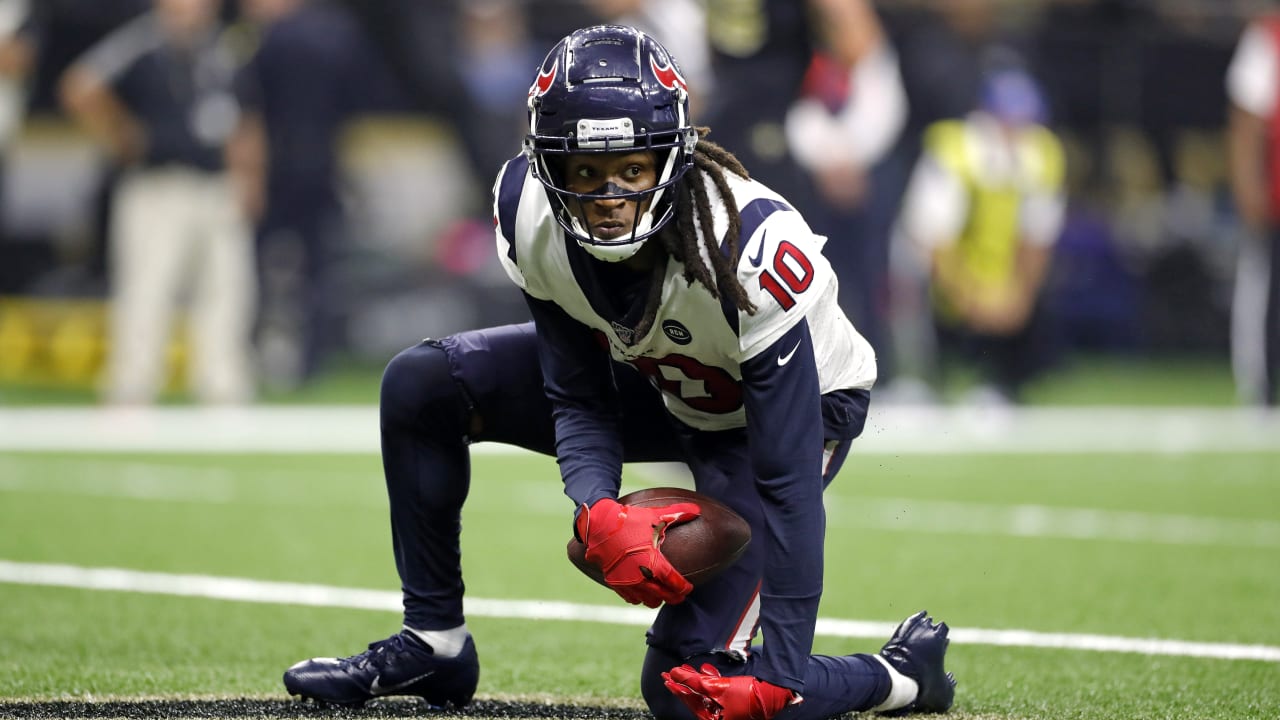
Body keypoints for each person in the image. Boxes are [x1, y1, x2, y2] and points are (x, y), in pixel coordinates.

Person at [281, 25, 955, 720]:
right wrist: (597, 504)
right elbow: (576, 391)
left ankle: (899, 677)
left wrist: (782, 668)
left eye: (632, 169)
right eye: (585, 172)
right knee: (424, 384)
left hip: (780, 415)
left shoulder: (750, 249)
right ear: (548, 167)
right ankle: (435, 643)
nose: (609, 197)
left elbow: (787, 485)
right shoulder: (529, 213)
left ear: (672, 158)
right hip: (662, 375)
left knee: (685, 693)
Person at [59, 0, 255, 405]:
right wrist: (121, 135)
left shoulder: (222, 48)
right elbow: (79, 86)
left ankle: (223, 388)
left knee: (227, 289)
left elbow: (242, 116)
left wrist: (247, 176)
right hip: (158, 185)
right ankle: (132, 387)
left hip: (215, 185)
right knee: (147, 288)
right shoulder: (141, 41)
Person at [894, 62, 1066, 404]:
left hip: (997, 272)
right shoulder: (952, 152)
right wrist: (969, 298)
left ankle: (1003, 383)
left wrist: (1019, 296)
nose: (1014, 134)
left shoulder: (1042, 154)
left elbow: (1037, 239)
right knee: (909, 282)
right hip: (943, 270)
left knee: (1043, 296)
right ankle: (920, 379)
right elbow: (932, 242)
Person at [1226, 9, 1280, 408]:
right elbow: (1245, 123)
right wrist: (1248, 188)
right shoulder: (1267, 36)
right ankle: (1261, 390)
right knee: (1266, 294)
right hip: (1275, 197)